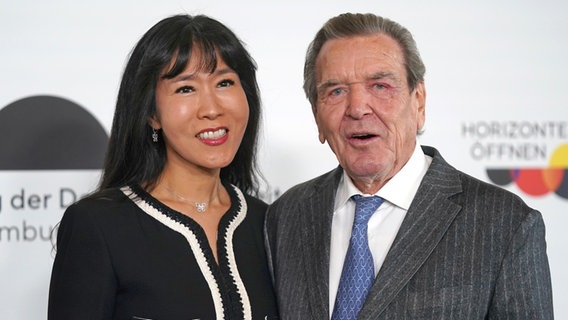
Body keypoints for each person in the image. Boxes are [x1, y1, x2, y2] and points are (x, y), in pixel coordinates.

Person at [265, 12, 553, 320]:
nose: (358, 108)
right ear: (316, 116)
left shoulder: (505, 224)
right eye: (336, 91)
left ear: (419, 101)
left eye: (380, 86)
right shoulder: (285, 217)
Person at [48, 14, 278, 320]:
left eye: (224, 83)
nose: (212, 108)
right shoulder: (99, 226)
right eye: (186, 88)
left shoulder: (269, 225)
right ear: (151, 114)